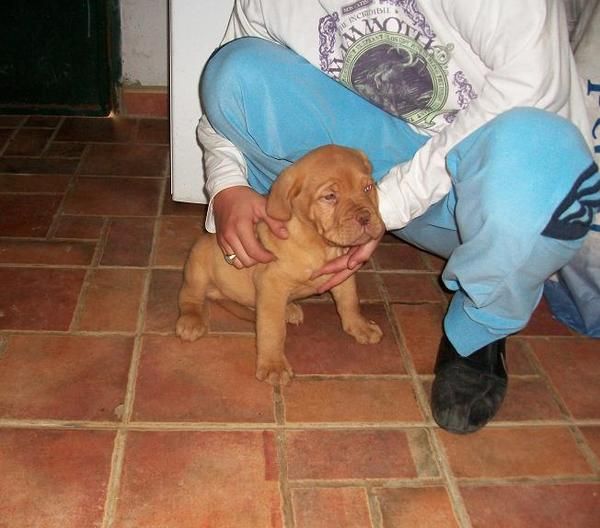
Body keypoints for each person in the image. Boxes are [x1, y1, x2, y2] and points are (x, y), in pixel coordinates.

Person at [195, 0, 600, 434]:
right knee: (232, 73)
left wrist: (388, 203)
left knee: (545, 153)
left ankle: (480, 327)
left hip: (480, 187)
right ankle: (298, 234)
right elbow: (226, 101)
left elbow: (535, 83)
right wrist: (227, 184)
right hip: (369, 165)